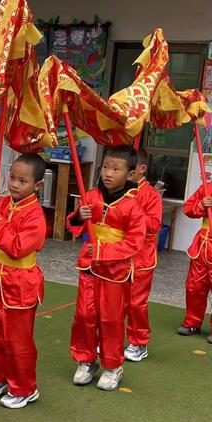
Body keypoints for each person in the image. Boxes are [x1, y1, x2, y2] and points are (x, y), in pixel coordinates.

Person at [0, 153, 46, 408]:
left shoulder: (36, 216)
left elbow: (16, 248)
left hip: (21, 283)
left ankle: (25, 387)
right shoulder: (2, 204)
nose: (14, 184)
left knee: (17, 340)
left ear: (37, 185)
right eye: (12, 177)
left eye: (22, 181)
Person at [67, 145, 146, 391]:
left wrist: (102, 252)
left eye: (116, 169)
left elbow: (135, 242)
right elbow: (75, 222)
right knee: (84, 315)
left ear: (131, 174)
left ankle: (113, 366)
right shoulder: (91, 195)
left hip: (115, 272)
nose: (108, 173)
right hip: (89, 267)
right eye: (105, 168)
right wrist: (81, 214)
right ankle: (86, 360)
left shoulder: (133, 206)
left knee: (111, 319)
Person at [124, 148, 162, 361]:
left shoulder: (151, 195)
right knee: (114, 302)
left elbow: (155, 225)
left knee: (136, 303)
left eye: (127, 168)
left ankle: (139, 343)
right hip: (118, 255)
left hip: (141, 258)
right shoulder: (119, 190)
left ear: (141, 169)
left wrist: (132, 211)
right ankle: (111, 340)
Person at [177, 180, 212, 343]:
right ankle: (192, 322)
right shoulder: (207, 187)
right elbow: (188, 208)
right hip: (202, 246)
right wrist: (201, 205)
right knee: (194, 287)